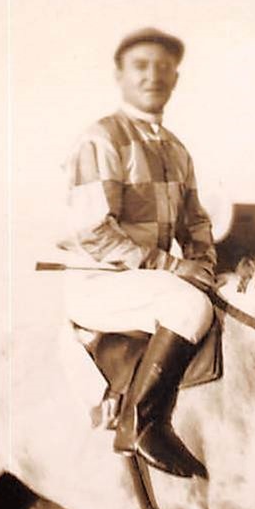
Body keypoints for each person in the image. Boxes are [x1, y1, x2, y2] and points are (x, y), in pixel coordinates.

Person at [55, 26, 218, 478]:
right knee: (188, 305)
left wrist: (203, 263)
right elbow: (93, 231)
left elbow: (196, 222)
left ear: (176, 79)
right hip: (98, 278)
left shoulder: (176, 149)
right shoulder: (102, 138)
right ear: (119, 75)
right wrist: (176, 267)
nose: (153, 76)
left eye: (164, 68)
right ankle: (141, 424)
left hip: (143, 280)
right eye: (141, 66)